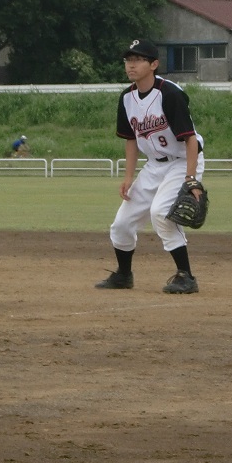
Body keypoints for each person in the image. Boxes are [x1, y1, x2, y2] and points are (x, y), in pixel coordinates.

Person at [96, 39, 204, 295]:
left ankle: (186, 276)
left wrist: (190, 178)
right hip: (154, 165)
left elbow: (190, 139)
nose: (131, 65)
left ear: (154, 64)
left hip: (182, 161)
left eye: (138, 60)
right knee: (122, 223)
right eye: (128, 60)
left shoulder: (170, 94)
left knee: (160, 212)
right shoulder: (127, 98)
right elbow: (131, 139)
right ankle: (123, 275)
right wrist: (128, 177)